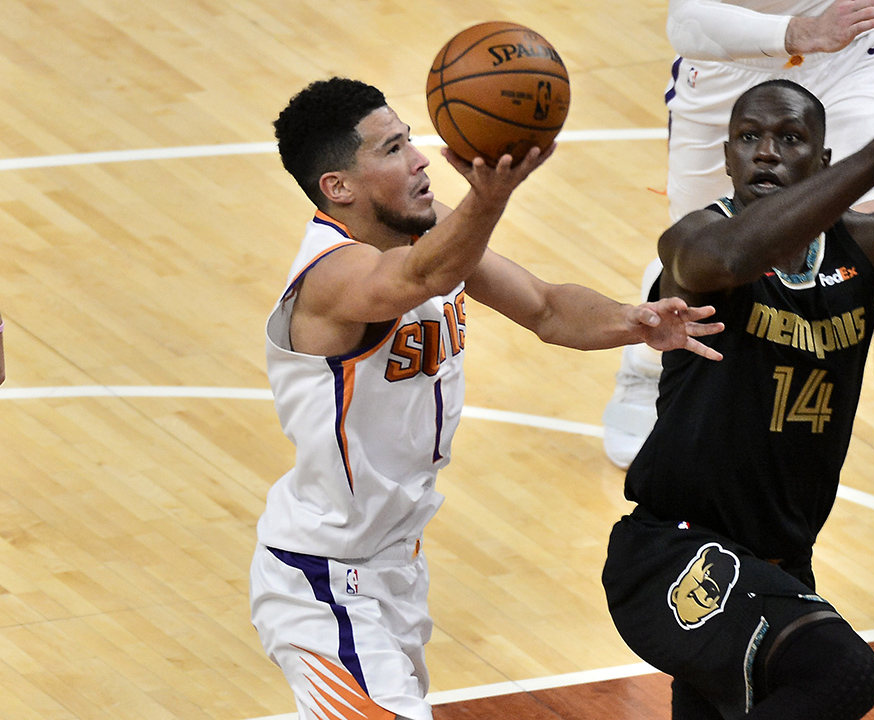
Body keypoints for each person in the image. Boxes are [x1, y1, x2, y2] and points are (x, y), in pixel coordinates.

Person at [602, 40, 874, 720]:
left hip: (776, 563)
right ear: (726, 160)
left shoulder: (869, 247)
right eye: (747, 137)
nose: (764, 151)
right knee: (840, 672)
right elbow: (737, 252)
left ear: (823, 162)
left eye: (789, 138)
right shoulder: (696, 246)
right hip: (674, 551)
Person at [249, 77, 724, 720]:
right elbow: (420, 276)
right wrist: (489, 196)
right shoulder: (331, 276)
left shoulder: (430, 231)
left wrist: (635, 322)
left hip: (395, 566)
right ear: (338, 187)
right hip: (323, 580)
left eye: (410, 139)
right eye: (392, 149)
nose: (419, 159)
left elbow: (549, 309)